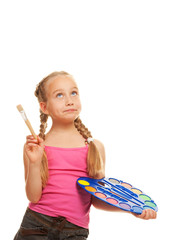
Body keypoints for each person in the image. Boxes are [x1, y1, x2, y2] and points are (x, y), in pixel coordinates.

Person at [14, 71, 157, 240]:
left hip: (74, 232)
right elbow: (33, 196)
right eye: (59, 95)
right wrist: (35, 162)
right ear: (44, 107)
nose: (69, 100)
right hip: (36, 225)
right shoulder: (36, 147)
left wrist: (130, 208)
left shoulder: (94, 147)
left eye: (73, 93)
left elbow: (97, 199)